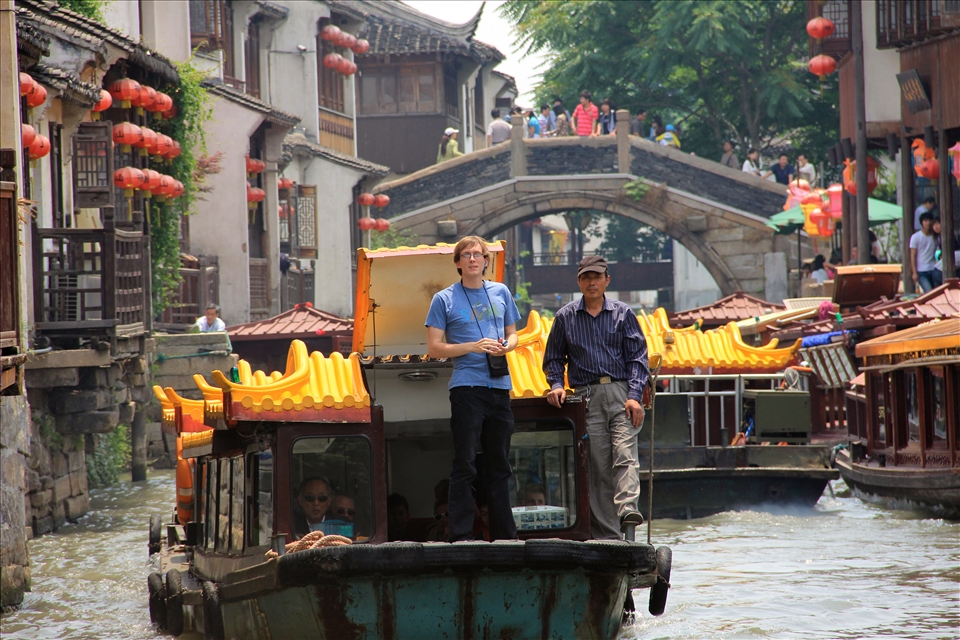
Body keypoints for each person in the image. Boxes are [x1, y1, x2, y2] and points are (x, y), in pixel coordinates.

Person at [542, 255, 649, 540]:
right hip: (585, 397)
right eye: (586, 277)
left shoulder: (623, 313)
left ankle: (628, 510)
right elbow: (553, 358)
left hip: (620, 393)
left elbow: (638, 359)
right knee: (598, 467)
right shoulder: (565, 317)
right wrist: (556, 384)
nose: (592, 282)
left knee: (625, 455)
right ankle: (609, 536)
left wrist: (635, 396)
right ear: (579, 281)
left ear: (607, 280)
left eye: (597, 277)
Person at [425, 236, 521, 542]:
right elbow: (434, 348)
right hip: (467, 386)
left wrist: (507, 347)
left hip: (500, 385)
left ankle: (505, 535)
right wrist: (473, 346)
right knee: (465, 462)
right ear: (457, 263)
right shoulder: (444, 298)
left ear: (485, 261)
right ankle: (462, 534)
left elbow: (514, 335)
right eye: (465, 255)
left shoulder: (501, 291)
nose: (472, 259)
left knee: (499, 464)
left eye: (477, 255)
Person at [910, 212, 941, 292]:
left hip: (933, 269)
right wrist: (914, 272)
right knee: (928, 291)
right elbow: (913, 255)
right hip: (921, 271)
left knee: (936, 292)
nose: (928, 223)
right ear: (922, 223)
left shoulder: (936, 237)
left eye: (930, 220)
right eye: (925, 221)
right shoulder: (916, 237)